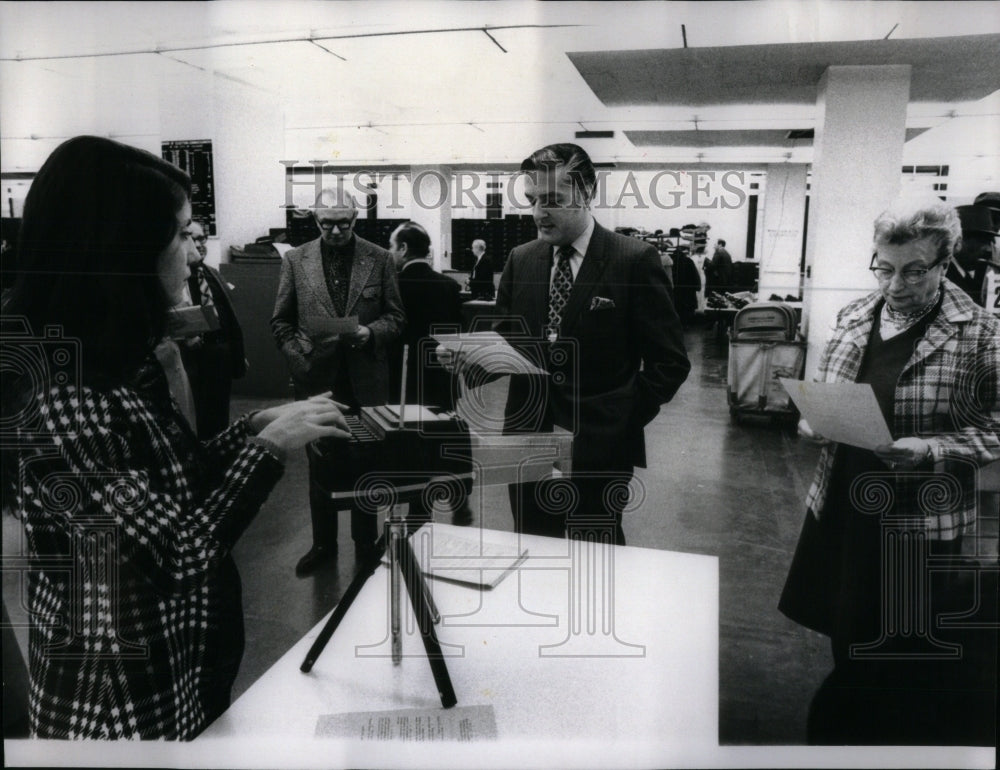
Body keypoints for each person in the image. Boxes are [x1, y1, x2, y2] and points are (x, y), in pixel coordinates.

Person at [0, 136, 349, 740]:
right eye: (183, 234)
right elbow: (174, 554)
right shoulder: (64, 396)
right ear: (124, 248)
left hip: (169, 668)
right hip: (118, 703)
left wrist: (250, 430)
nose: (195, 254)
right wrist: (266, 454)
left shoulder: (106, 365)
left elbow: (159, 492)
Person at [779, 198, 999, 745]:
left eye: (914, 270)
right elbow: (832, 394)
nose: (895, 284)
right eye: (885, 267)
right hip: (845, 501)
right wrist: (814, 422)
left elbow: (995, 428)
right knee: (849, 628)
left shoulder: (981, 332)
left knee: (900, 647)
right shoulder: (856, 314)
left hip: (919, 518)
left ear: (945, 264)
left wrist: (929, 449)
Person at [445, 143, 690, 545]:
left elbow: (670, 363)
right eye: (533, 200)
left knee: (595, 555)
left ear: (587, 194)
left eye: (553, 200)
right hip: (527, 439)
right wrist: (472, 361)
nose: (540, 213)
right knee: (533, 549)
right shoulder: (521, 260)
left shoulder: (633, 259)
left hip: (599, 447)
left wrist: (620, 420)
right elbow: (509, 343)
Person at [271, 188, 405, 575]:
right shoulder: (296, 260)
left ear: (356, 220)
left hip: (366, 382)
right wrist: (301, 360)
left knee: (367, 466)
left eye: (342, 224)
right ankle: (322, 544)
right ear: (315, 221)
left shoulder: (379, 259)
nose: (334, 231)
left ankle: (366, 545)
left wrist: (371, 333)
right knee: (320, 467)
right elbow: (280, 321)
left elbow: (397, 318)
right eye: (325, 224)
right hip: (317, 379)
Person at [387, 221, 473, 526]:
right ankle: (458, 498)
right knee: (445, 439)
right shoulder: (449, 287)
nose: (389, 252)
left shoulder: (395, 286)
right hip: (442, 380)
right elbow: (458, 334)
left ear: (404, 249)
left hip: (407, 380)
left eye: (391, 246)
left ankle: (418, 514)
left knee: (414, 447)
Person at [177, 219, 248, 438]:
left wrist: (238, 355)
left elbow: (230, 320)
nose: (198, 244)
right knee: (193, 419)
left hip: (219, 358)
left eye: (201, 238)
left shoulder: (211, 273)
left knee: (219, 418)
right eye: (191, 238)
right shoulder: (175, 278)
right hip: (190, 360)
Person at [948, 203, 997, 307]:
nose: (988, 249)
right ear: (959, 240)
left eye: (989, 242)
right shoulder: (942, 276)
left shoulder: (982, 272)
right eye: (981, 241)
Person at [671, 245, 701, 326]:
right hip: (688, 289)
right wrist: (697, 286)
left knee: (678, 307)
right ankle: (687, 324)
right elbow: (695, 275)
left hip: (678, 289)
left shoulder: (673, 262)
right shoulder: (688, 261)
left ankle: (679, 324)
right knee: (687, 308)